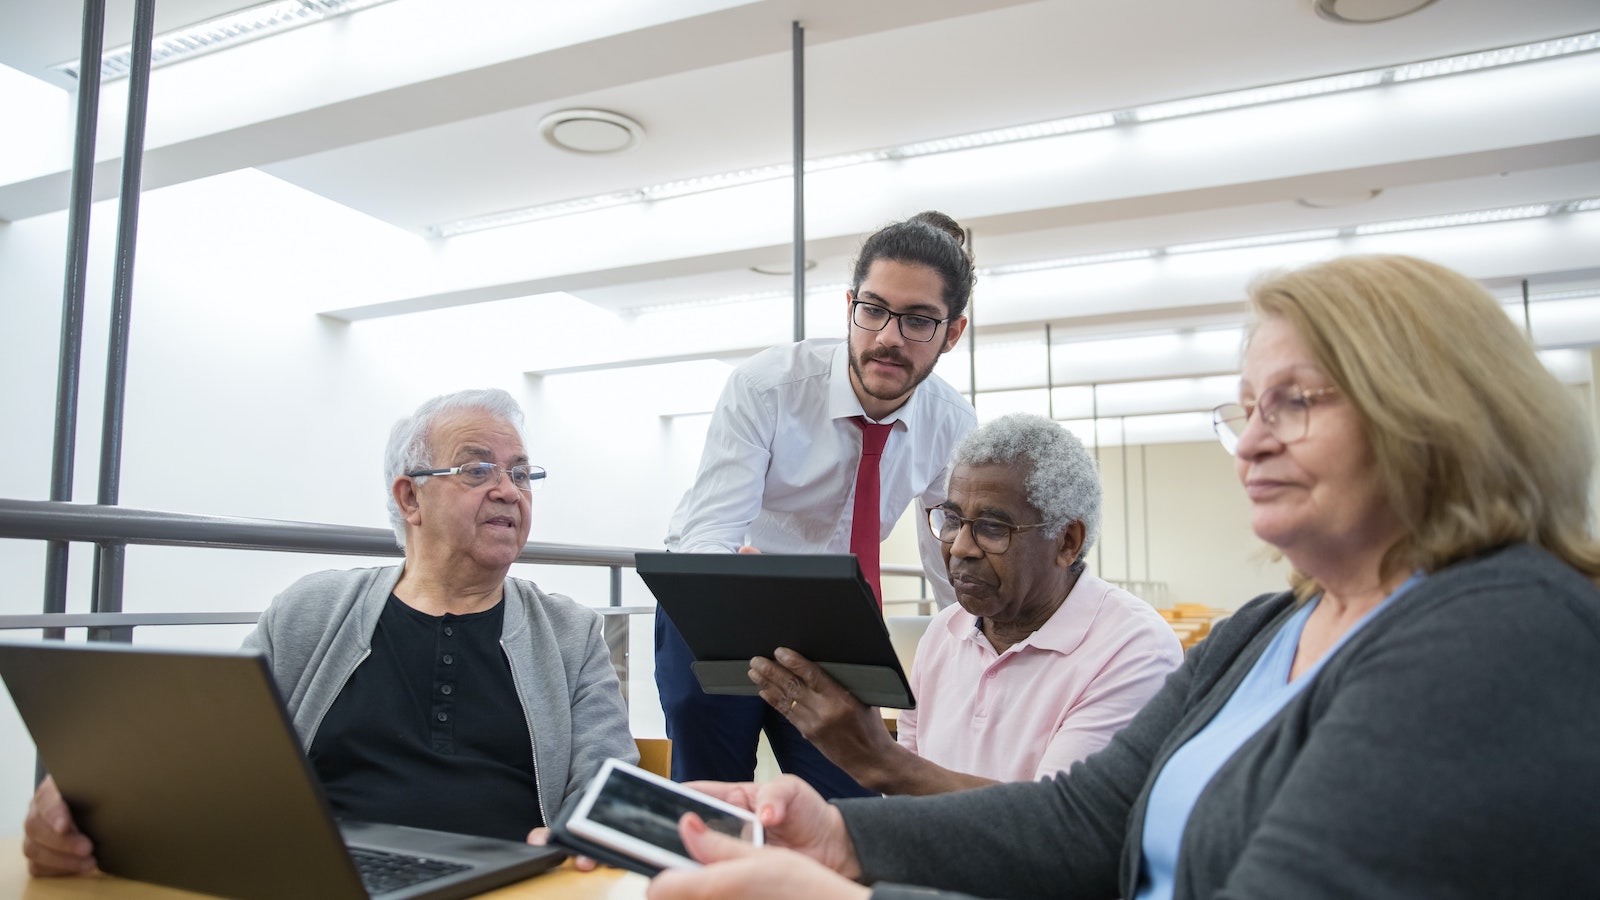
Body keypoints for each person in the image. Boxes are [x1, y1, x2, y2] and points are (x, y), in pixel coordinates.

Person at [644, 255, 1600, 899]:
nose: (1253, 440)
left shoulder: (1498, 633)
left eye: (1296, 402)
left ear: (1433, 417)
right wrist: (841, 839)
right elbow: (1091, 815)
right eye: (1247, 406)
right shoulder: (1265, 630)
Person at [23, 388, 638, 876]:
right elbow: (216, 750)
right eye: (478, 469)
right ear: (410, 498)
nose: (509, 490)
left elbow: (609, 791)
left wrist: (584, 829)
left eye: (522, 474)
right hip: (316, 878)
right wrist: (87, 794)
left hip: (508, 885)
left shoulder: (571, 635)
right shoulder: (311, 612)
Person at [659, 212, 980, 799]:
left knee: (849, 805)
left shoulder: (952, 425)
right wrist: (728, 587)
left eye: (918, 321)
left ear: (951, 333)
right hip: (726, 599)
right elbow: (710, 531)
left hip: (835, 623)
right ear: (851, 304)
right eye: (874, 310)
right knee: (711, 802)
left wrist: (976, 667)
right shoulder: (766, 386)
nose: (887, 336)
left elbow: (953, 569)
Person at [748, 413, 1181, 794]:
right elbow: (911, 803)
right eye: (953, 520)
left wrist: (876, 760)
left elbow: (1061, 827)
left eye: (993, 527)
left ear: (1066, 542)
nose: (960, 549)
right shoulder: (946, 632)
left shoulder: (1134, 649)